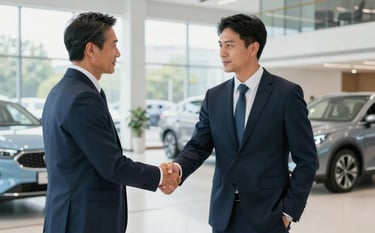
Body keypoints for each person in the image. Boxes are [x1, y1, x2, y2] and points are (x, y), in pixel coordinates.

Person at [165, 13, 318, 233]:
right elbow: (199, 146)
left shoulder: (286, 94)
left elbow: (307, 159)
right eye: (220, 45)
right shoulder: (214, 97)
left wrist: (288, 212)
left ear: (253, 47)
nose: (222, 53)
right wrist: (177, 169)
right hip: (222, 215)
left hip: (269, 216)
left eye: (229, 45)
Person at [42, 12, 179, 233]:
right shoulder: (82, 98)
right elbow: (112, 166)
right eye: (113, 45)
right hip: (84, 220)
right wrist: (162, 176)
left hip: (65, 214)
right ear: (91, 49)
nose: (118, 53)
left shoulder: (60, 91)